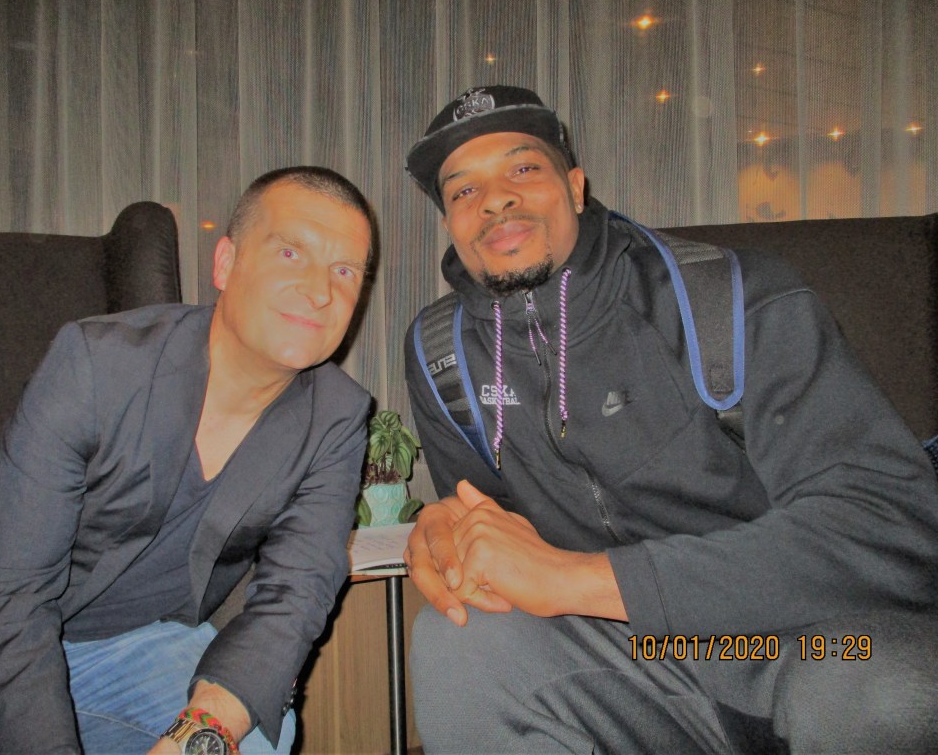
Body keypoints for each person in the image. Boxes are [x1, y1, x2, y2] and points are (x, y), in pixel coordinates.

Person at [401, 85, 938, 753]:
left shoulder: (732, 297)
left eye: (524, 168)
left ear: (575, 187)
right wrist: (450, 528)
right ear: (451, 225)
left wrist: (583, 581)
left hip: (812, 644)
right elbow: (499, 525)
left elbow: (892, 525)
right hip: (639, 661)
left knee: (888, 692)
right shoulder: (442, 355)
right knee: (457, 641)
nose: (495, 200)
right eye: (463, 190)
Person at [0, 166, 374, 755]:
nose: (320, 291)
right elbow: (10, 594)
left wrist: (198, 736)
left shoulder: (336, 417)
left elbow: (296, 593)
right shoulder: (96, 364)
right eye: (290, 253)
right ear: (226, 264)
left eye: (345, 271)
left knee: (260, 736)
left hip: (128, 651)